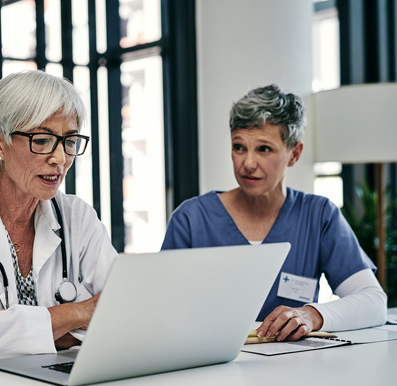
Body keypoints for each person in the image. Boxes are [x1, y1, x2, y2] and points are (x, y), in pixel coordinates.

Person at [162, 84, 387, 342]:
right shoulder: (191, 219)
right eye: (239, 147)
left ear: (294, 154)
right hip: (209, 368)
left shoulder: (318, 215)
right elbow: (163, 310)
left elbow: (373, 301)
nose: (247, 163)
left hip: (292, 371)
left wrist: (312, 315)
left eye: (263, 149)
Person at [0, 70, 117, 366]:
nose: (60, 159)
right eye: (41, 140)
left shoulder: (78, 217)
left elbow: (125, 314)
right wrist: (80, 313)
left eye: (70, 140)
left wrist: (4, 323)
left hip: (54, 381)